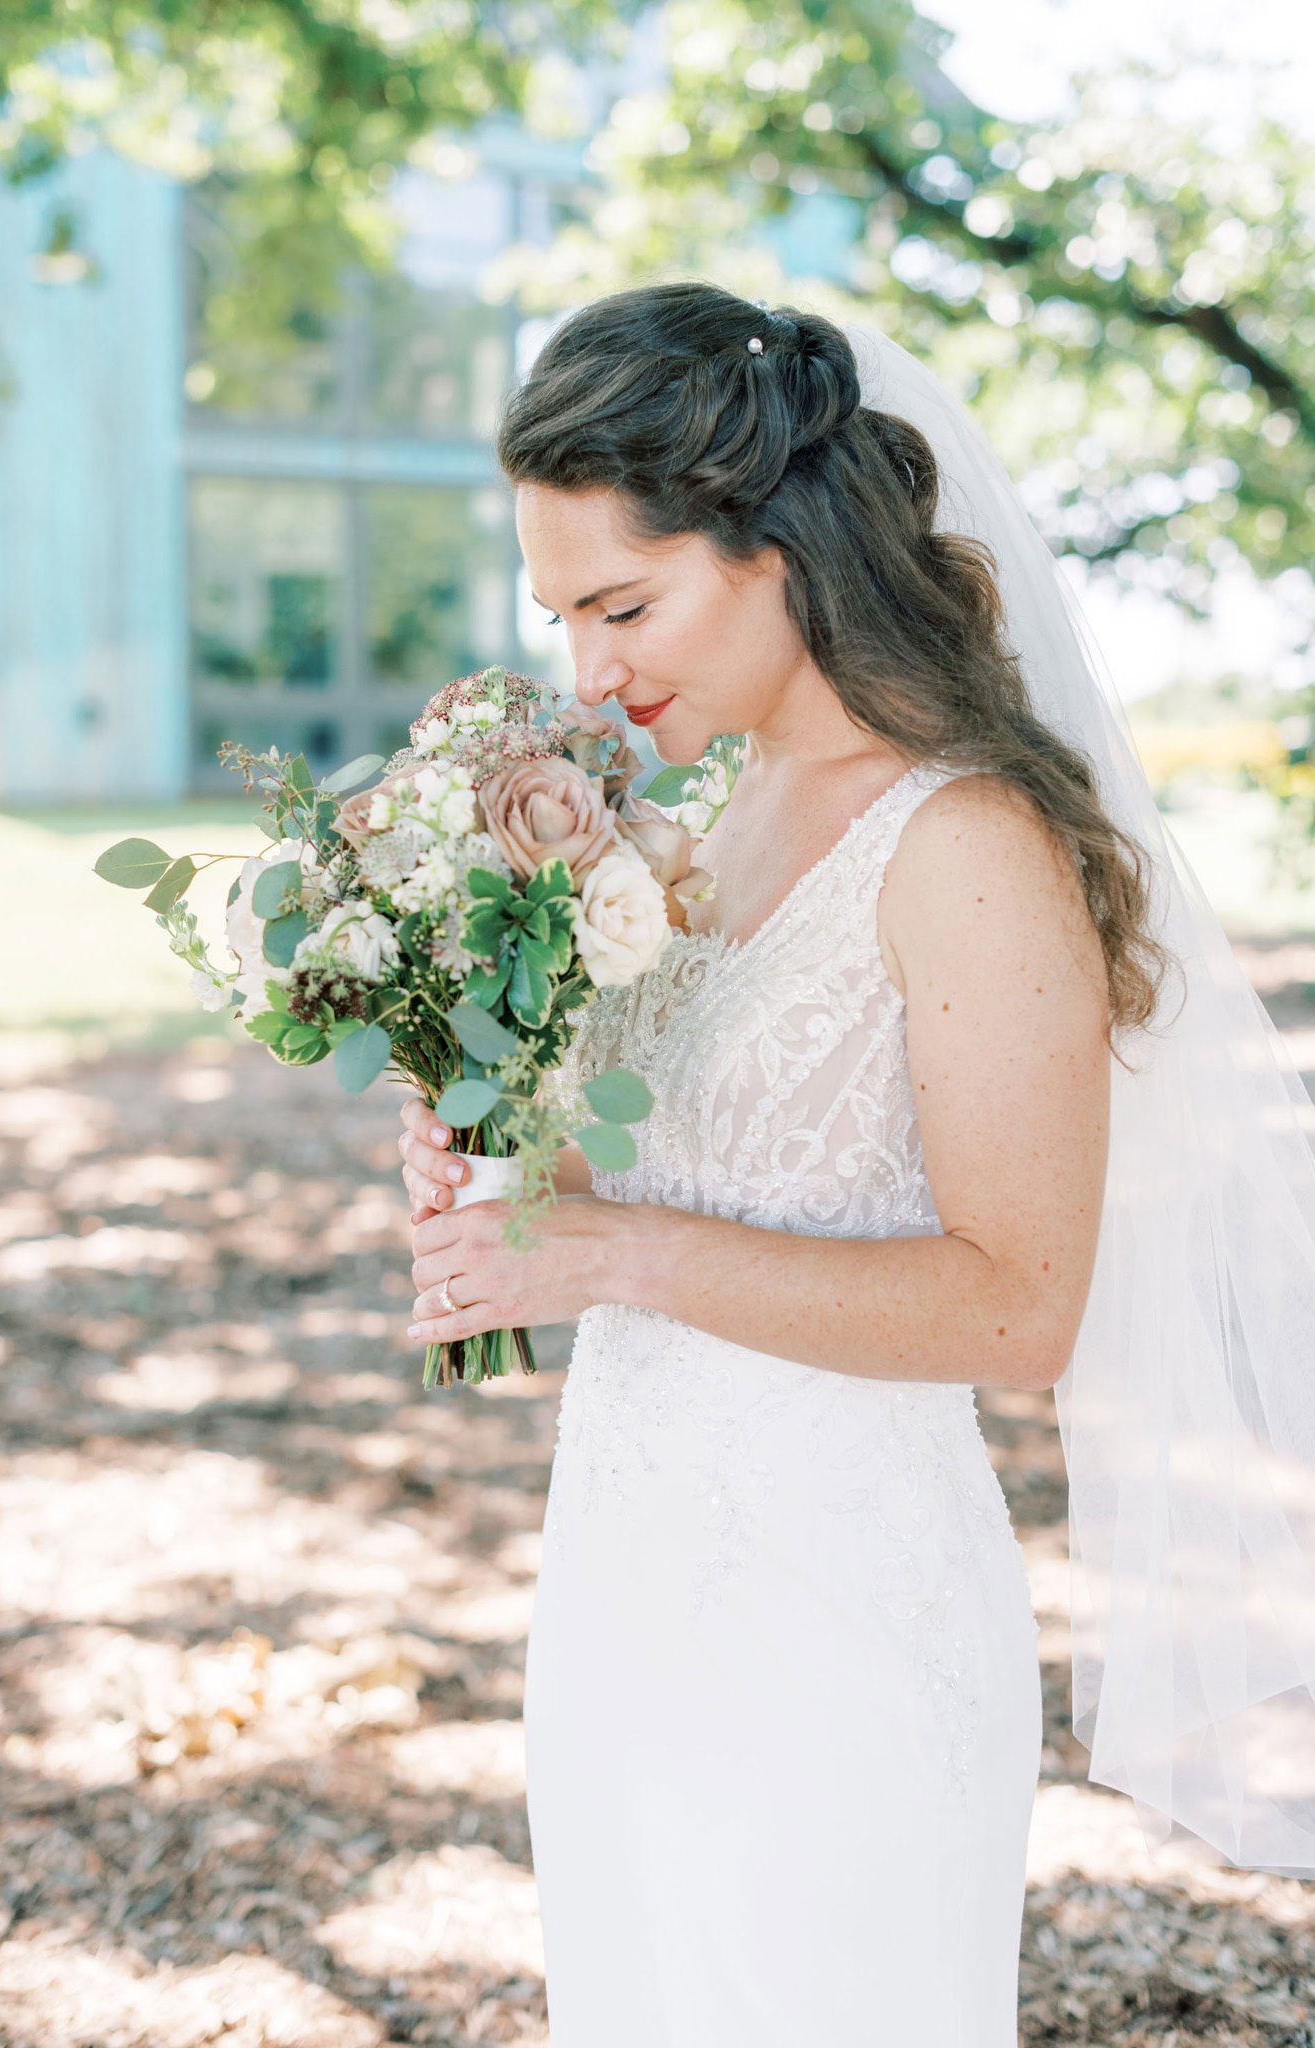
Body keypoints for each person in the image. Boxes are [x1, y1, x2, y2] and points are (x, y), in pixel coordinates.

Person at [398, 283, 1315, 2042]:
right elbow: (635, 1186)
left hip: (838, 1629)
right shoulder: (695, 825)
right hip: (622, 1594)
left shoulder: (963, 846)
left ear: (783, 553)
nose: (587, 671)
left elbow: (1021, 1303)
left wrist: (607, 1256)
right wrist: (493, 1177)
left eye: (623, 604)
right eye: (561, 616)